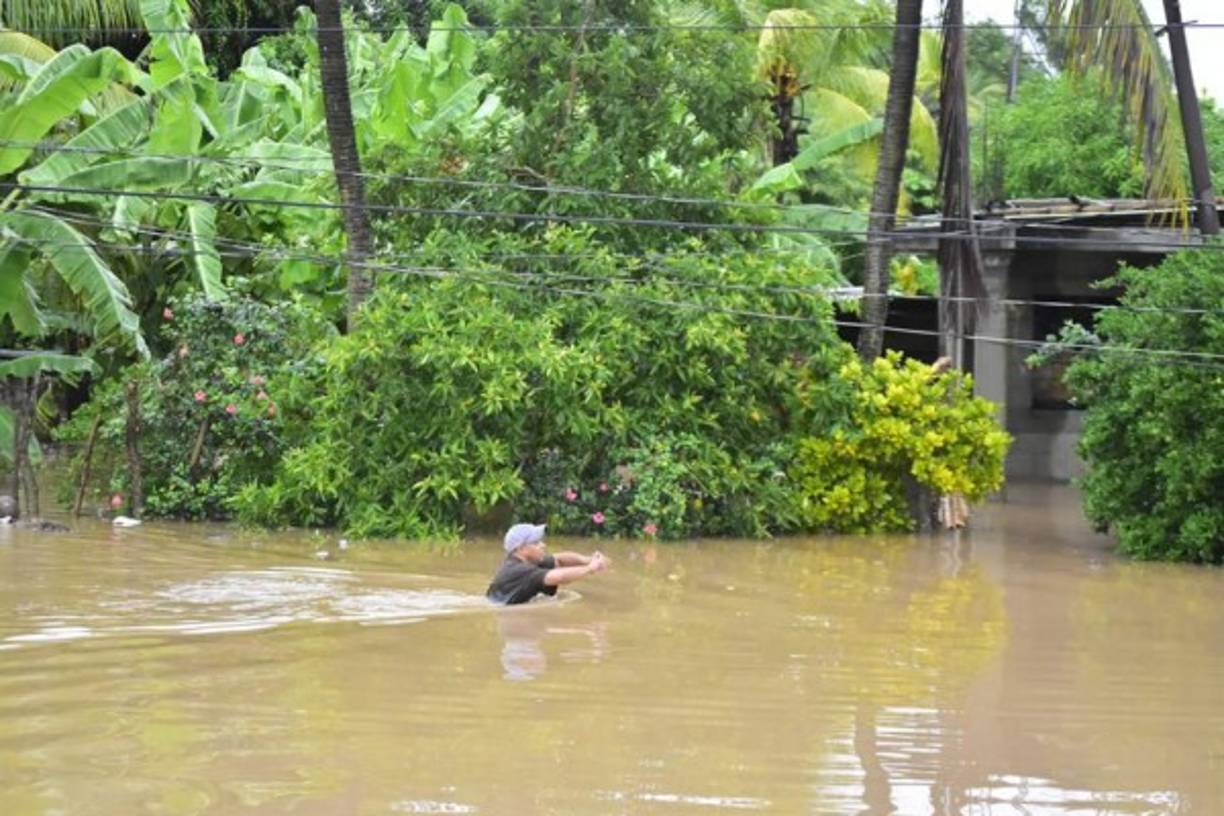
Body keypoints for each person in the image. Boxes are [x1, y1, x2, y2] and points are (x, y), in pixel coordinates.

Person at [486, 523, 610, 605]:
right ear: (521, 548)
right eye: (536, 542)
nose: (543, 545)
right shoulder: (518, 570)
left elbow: (559, 559)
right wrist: (590, 568)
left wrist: (587, 559)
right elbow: (558, 577)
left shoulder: (530, 560)